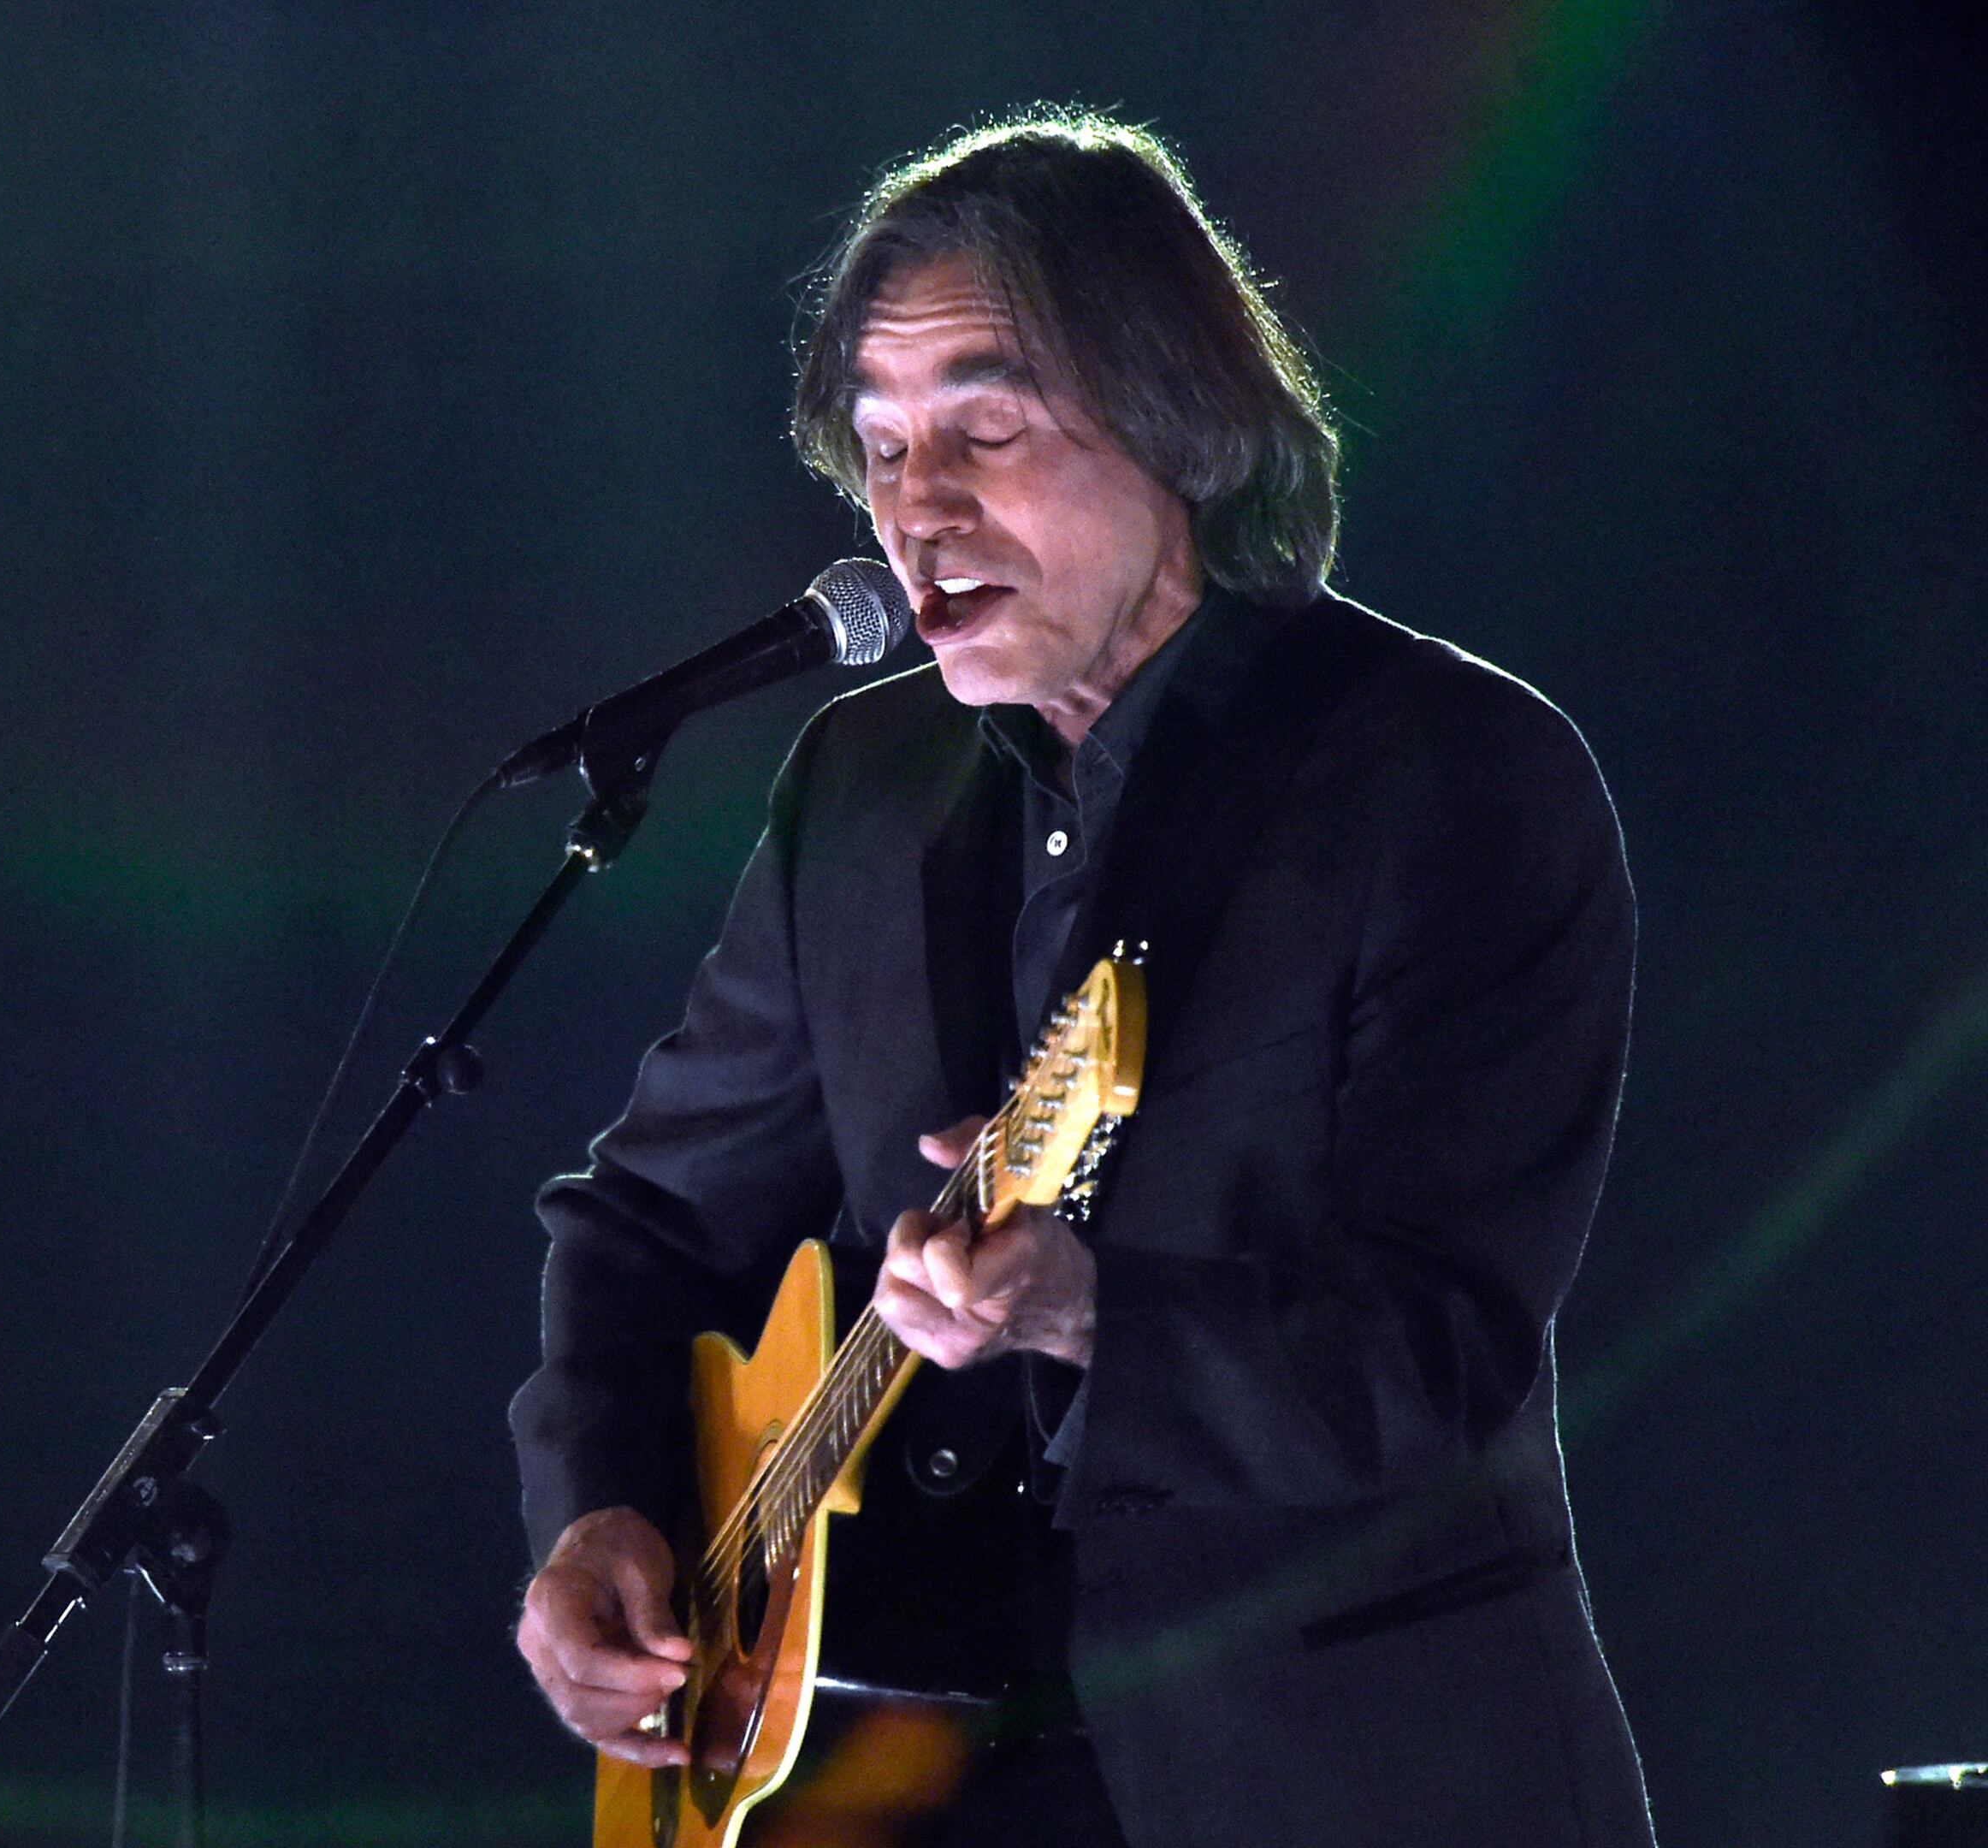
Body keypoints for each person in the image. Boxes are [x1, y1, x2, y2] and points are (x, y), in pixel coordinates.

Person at [507, 114, 1655, 1847]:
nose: (917, 511)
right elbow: (654, 1224)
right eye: (882, 452)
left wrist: (1088, 1307)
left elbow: (1439, 1353)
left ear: (1178, 419)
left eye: (986, 428)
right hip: (923, 1780)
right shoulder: (862, 787)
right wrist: (602, 1506)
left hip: (1354, 1777)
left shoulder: (1451, 775)